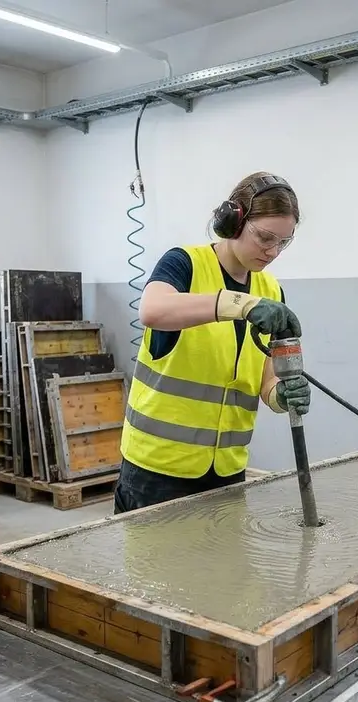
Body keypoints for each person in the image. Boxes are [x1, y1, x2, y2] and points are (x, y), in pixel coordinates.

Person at [114, 171, 311, 514]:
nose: (273, 252)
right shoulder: (184, 265)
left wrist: (280, 396)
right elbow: (152, 309)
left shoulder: (271, 292)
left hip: (227, 471)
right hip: (158, 471)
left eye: (283, 242)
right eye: (265, 237)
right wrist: (239, 304)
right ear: (233, 221)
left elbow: (266, 380)